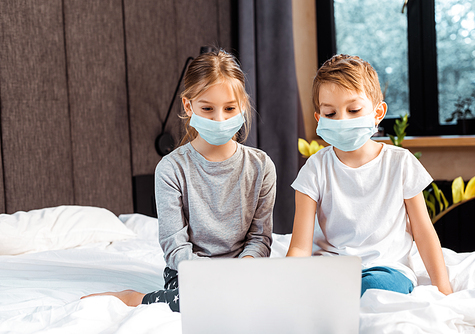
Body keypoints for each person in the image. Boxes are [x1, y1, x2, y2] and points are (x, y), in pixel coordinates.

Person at [82, 49, 277, 311]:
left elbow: (260, 238)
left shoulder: (261, 166)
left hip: (244, 270)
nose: (219, 119)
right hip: (188, 271)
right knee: (202, 303)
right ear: (188, 106)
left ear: (242, 106)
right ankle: (135, 298)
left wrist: (244, 268)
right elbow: (175, 244)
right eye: (207, 108)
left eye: (230, 108)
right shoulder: (171, 168)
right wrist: (212, 277)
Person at [286, 54, 453, 296]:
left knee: (375, 288)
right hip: (331, 268)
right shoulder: (315, 168)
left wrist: (444, 289)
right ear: (319, 119)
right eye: (331, 114)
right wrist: (287, 286)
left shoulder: (400, 162)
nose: (343, 120)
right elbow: (300, 246)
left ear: (378, 112)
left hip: (386, 270)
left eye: (354, 110)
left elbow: (424, 232)